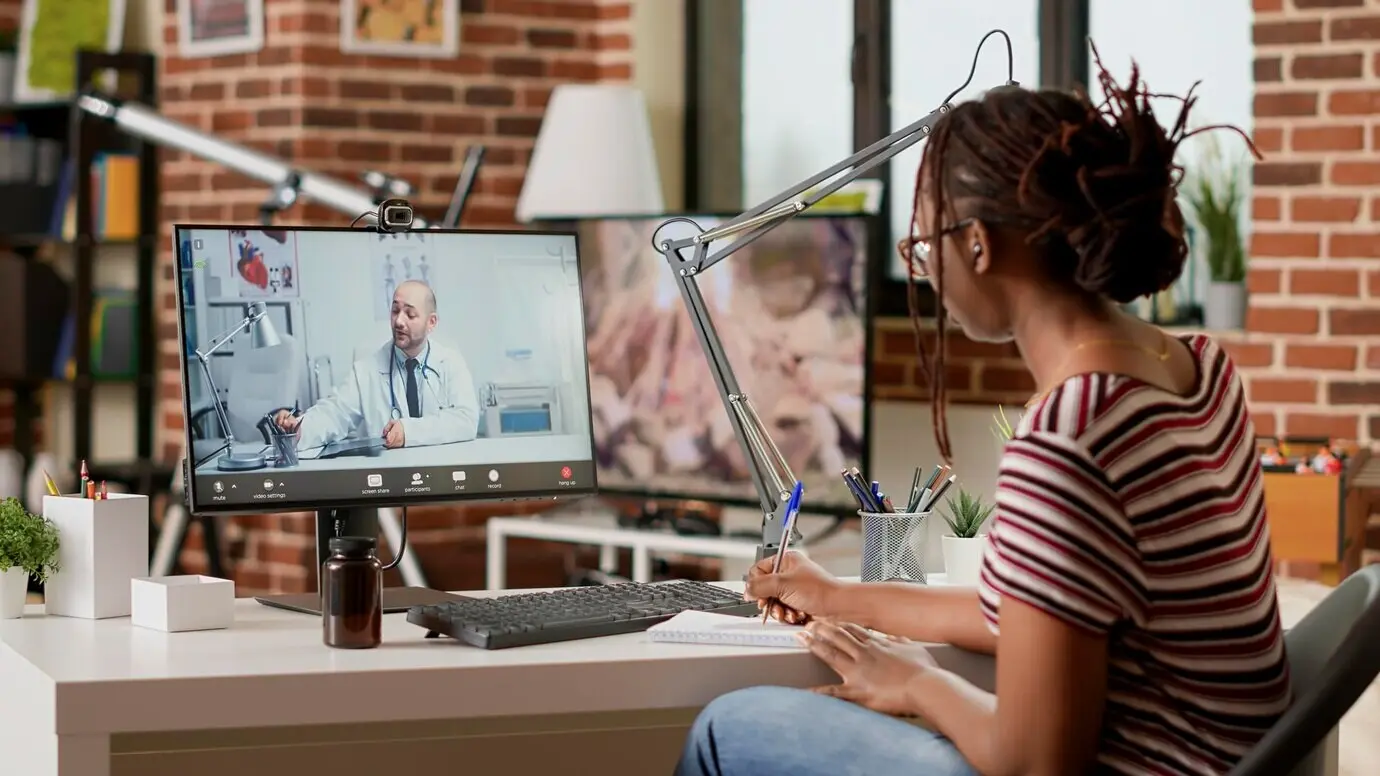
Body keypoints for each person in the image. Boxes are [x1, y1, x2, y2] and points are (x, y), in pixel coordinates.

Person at [676, 54, 1290, 776]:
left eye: (923, 245)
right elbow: (1035, 611)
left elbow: (1035, 763)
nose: (925, 271)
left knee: (726, 727)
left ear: (977, 242)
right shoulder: (1199, 367)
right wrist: (837, 596)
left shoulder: (1069, 435)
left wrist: (917, 683)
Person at [274, 280, 480, 450]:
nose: (399, 321)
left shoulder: (451, 362)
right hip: (388, 481)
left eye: (410, 314)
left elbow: (466, 421)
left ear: (431, 322)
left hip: (441, 476)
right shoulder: (366, 370)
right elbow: (334, 413)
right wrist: (299, 428)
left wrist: (408, 432)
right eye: (395, 311)